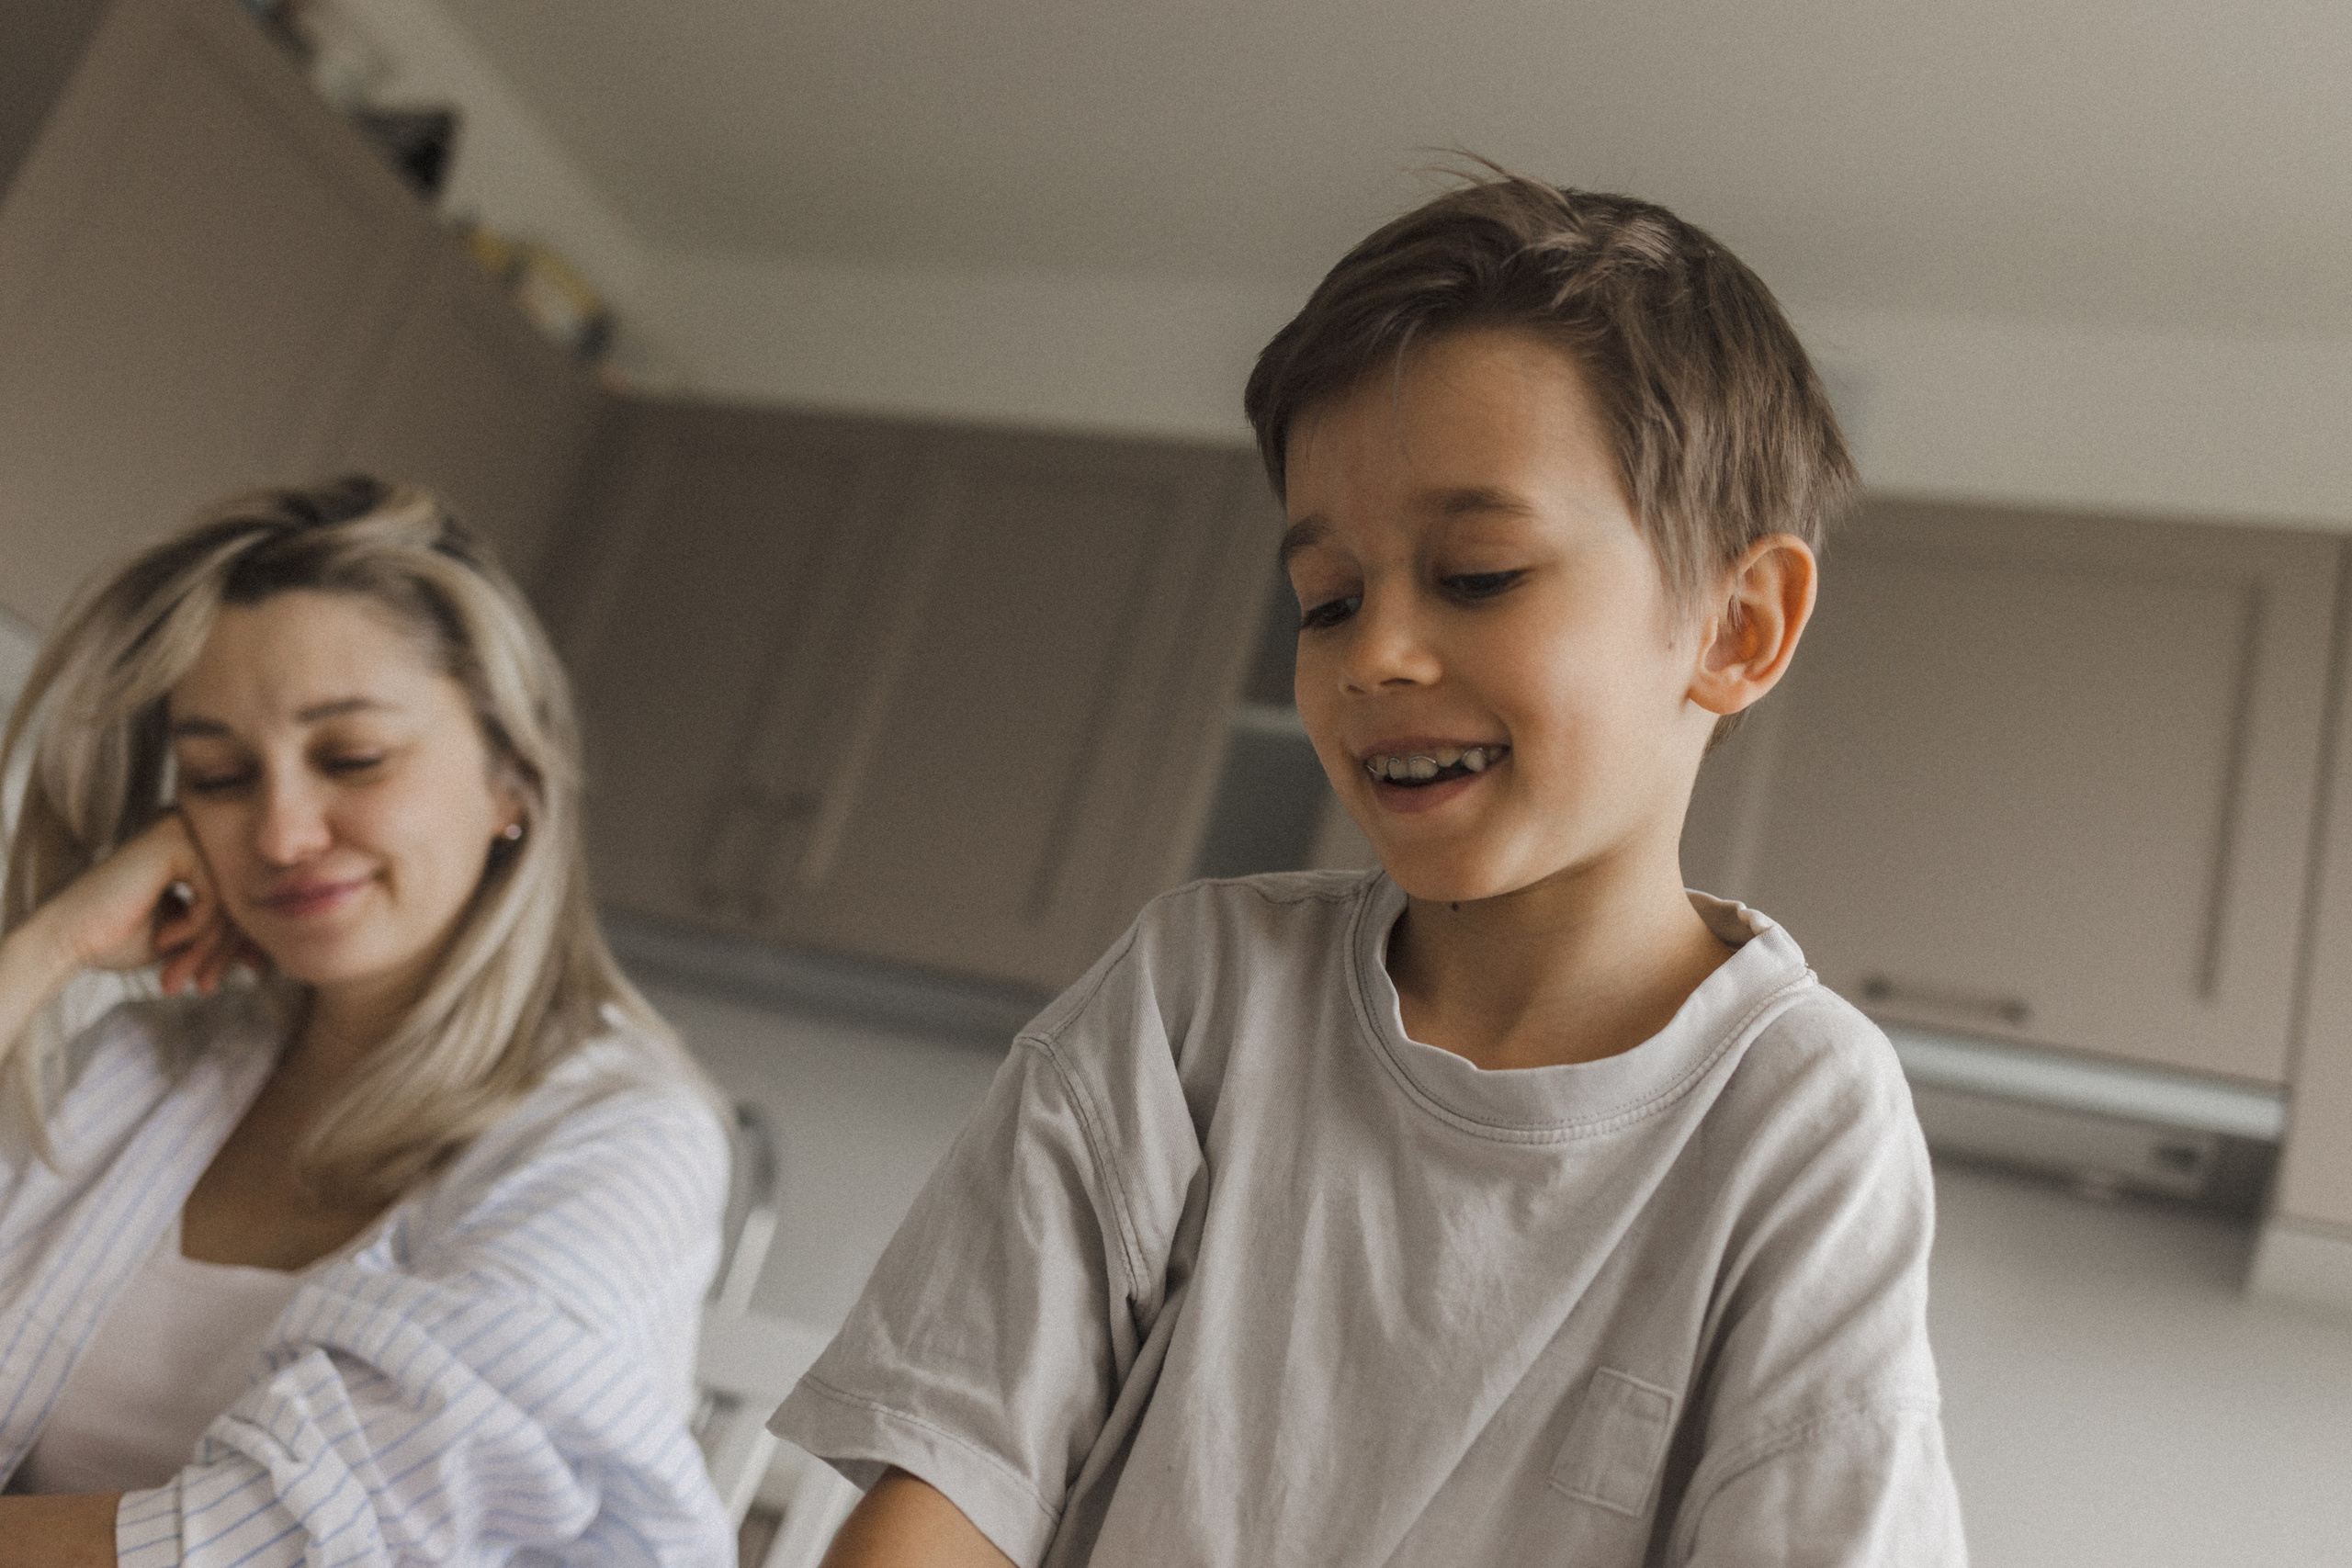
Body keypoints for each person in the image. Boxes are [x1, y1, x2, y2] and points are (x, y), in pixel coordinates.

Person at [770, 171, 1968, 1566]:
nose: (1371, 655)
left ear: (1737, 625)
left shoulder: (1798, 1114)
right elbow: (952, 1476)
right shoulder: (1196, 990)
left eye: (1476, 572)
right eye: (1325, 598)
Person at [0, 478, 735, 1566]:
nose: (283, 832)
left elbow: (294, 1543)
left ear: (512, 781)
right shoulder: (146, 1062)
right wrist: (46, 949)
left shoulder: (627, 1142)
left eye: (352, 759)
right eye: (218, 775)